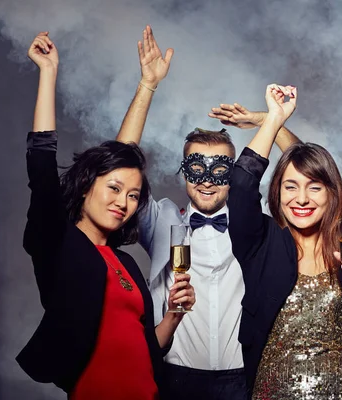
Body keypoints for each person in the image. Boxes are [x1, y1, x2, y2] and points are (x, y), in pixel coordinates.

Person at [115, 26, 299, 400]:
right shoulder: (161, 221)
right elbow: (115, 167)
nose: (207, 182)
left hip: (243, 379)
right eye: (196, 170)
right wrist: (147, 86)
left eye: (219, 171)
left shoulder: (257, 229)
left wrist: (268, 120)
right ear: (184, 173)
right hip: (175, 377)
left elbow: (308, 169)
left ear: (234, 176)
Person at [17, 32, 194, 399]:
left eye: (132, 196)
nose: (123, 202)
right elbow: (42, 165)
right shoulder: (59, 243)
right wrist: (48, 73)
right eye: (113, 190)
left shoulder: (126, 262)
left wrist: (174, 315)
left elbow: (150, 349)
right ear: (85, 187)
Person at [228, 83, 342, 400]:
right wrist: (273, 119)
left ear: (332, 194)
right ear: (277, 192)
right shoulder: (261, 242)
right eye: (290, 187)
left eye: (314, 187)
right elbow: (242, 183)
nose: (301, 198)